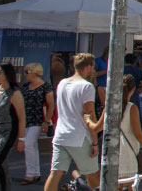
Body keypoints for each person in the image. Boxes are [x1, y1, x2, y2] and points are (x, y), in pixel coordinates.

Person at [43, 53, 101, 191]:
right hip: (79, 137)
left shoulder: (62, 83)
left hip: (61, 134)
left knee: (55, 173)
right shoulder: (87, 87)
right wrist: (95, 141)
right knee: (92, 174)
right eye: (92, 66)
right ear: (88, 67)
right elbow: (89, 115)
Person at [0, 62, 26, 191]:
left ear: (7, 74)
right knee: (1, 164)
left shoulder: (14, 93)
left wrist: (21, 138)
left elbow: (21, 117)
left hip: (7, 132)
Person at [20, 62, 53, 185]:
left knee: (28, 144)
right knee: (32, 146)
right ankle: (35, 173)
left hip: (38, 119)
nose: (25, 74)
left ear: (34, 73)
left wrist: (46, 121)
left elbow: (51, 105)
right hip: (26, 120)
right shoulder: (25, 86)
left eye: (27, 72)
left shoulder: (46, 86)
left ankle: (30, 174)